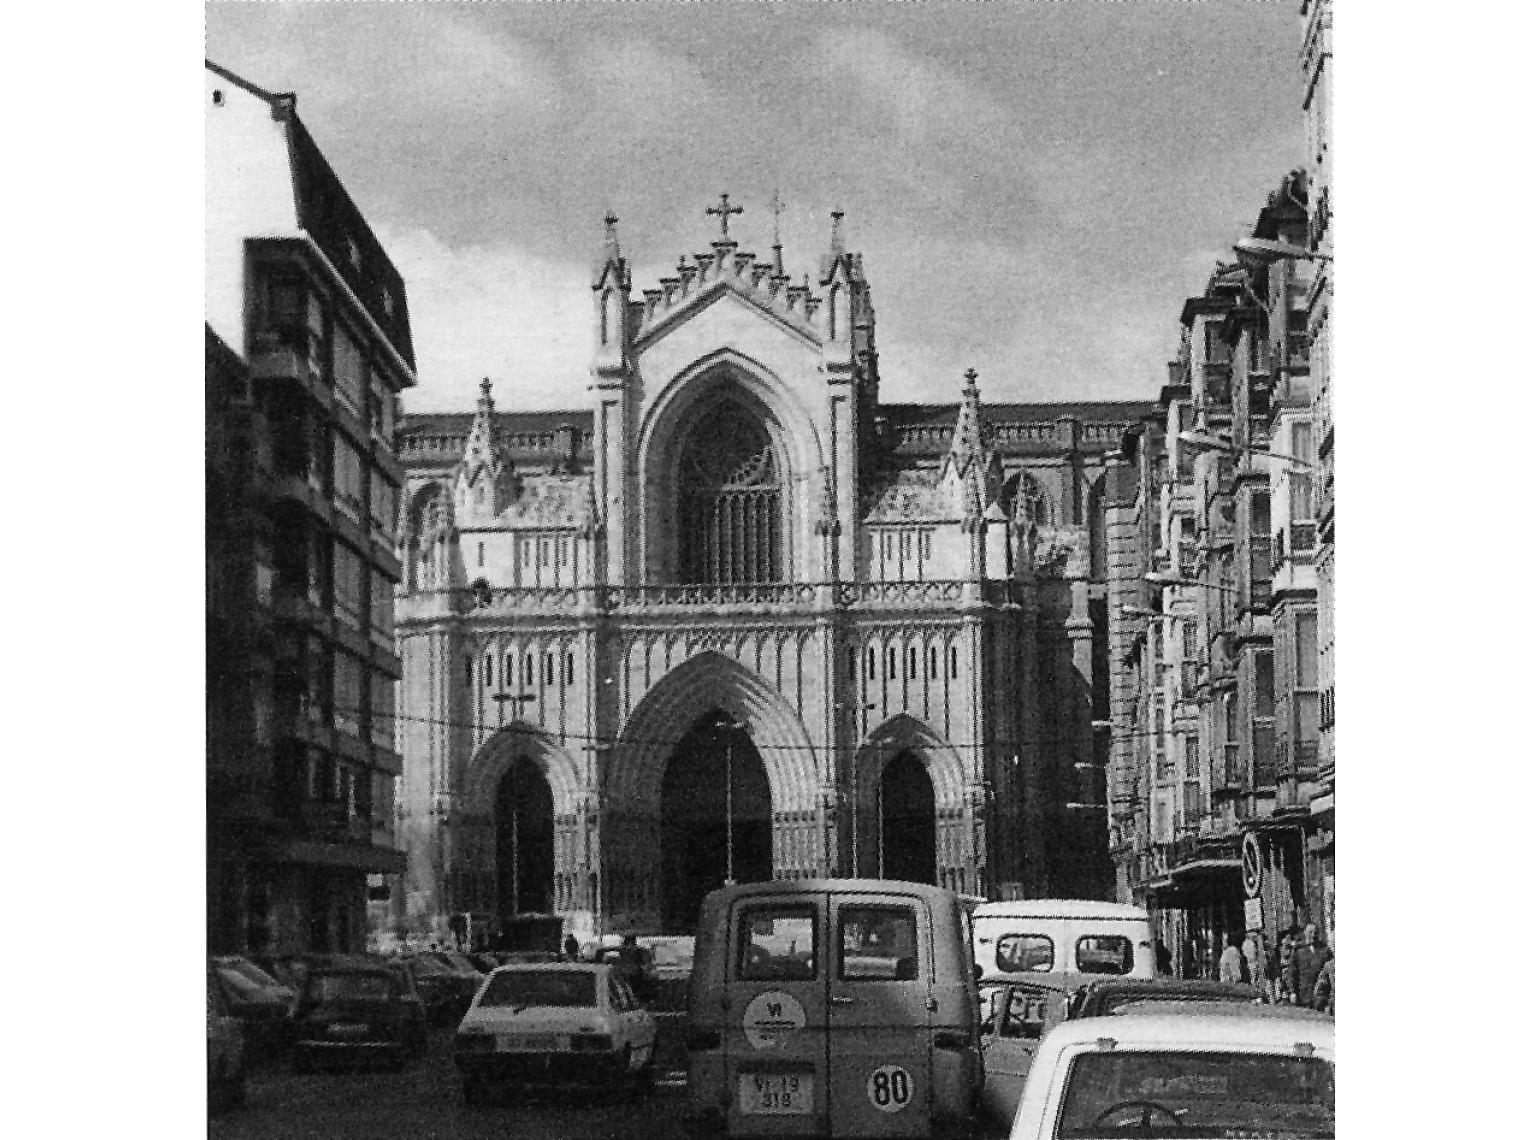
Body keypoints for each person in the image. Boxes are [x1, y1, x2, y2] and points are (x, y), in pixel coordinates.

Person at [1294, 923, 1329, 1005]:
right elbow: (1292, 972)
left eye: (1316, 933)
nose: (1313, 935)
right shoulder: (1298, 950)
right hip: (1302, 994)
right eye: (1310, 932)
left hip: (1321, 995)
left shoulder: (1325, 950)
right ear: (1305, 932)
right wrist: (1292, 992)